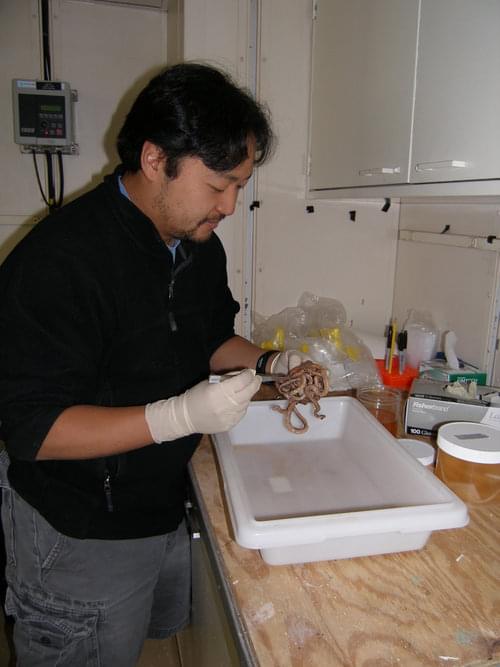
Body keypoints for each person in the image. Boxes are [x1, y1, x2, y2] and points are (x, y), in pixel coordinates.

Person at [0, 63, 309, 666]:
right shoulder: (60, 263)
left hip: (158, 501)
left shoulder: (195, 243)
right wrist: (178, 416)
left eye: (240, 185)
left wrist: (276, 362)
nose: (229, 205)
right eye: (219, 184)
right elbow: (32, 429)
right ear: (153, 159)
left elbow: (210, 335)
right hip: (78, 531)